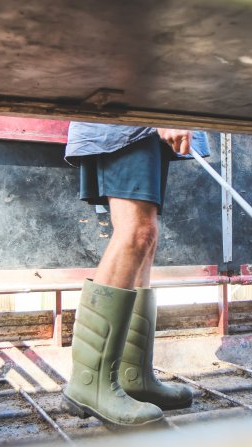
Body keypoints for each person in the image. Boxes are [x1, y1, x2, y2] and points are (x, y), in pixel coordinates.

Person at [61, 122, 209, 427]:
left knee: (146, 236)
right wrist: (160, 112)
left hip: (141, 125)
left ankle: (134, 376)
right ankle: (89, 383)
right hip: (127, 120)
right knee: (135, 232)